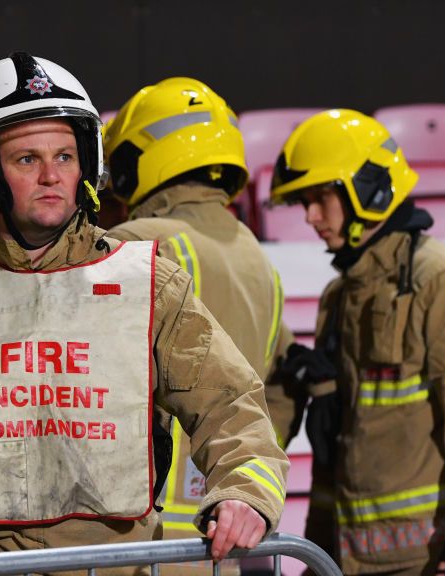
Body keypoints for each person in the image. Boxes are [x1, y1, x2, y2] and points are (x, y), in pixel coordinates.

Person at [0, 52, 288, 573]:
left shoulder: (149, 285)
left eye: (65, 156)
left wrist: (245, 492)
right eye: (26, 159)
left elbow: (232, 406)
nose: (51, 176)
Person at [269, 109, 445, 575]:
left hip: (440, 559)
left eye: (320, 197)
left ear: (368, 189)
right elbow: (338, 452)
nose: (310, 216)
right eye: (303, 202)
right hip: (357, 560)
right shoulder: (339, 297)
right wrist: (319, 549)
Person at [102, 78, 301, 546]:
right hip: (222, 527)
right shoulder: (258, 258)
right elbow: (274, 394)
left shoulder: (135, 244)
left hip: (137, 533)